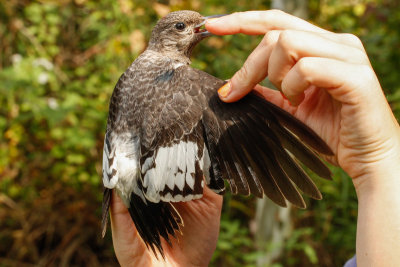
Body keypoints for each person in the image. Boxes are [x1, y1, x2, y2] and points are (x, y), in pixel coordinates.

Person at [109, 10, 400, 267]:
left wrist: (378, 165)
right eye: (182, 27)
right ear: (162, 39)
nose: (200, 27)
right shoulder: (185, 83)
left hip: (134, 188)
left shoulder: (131, 79)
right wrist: (379, 165)